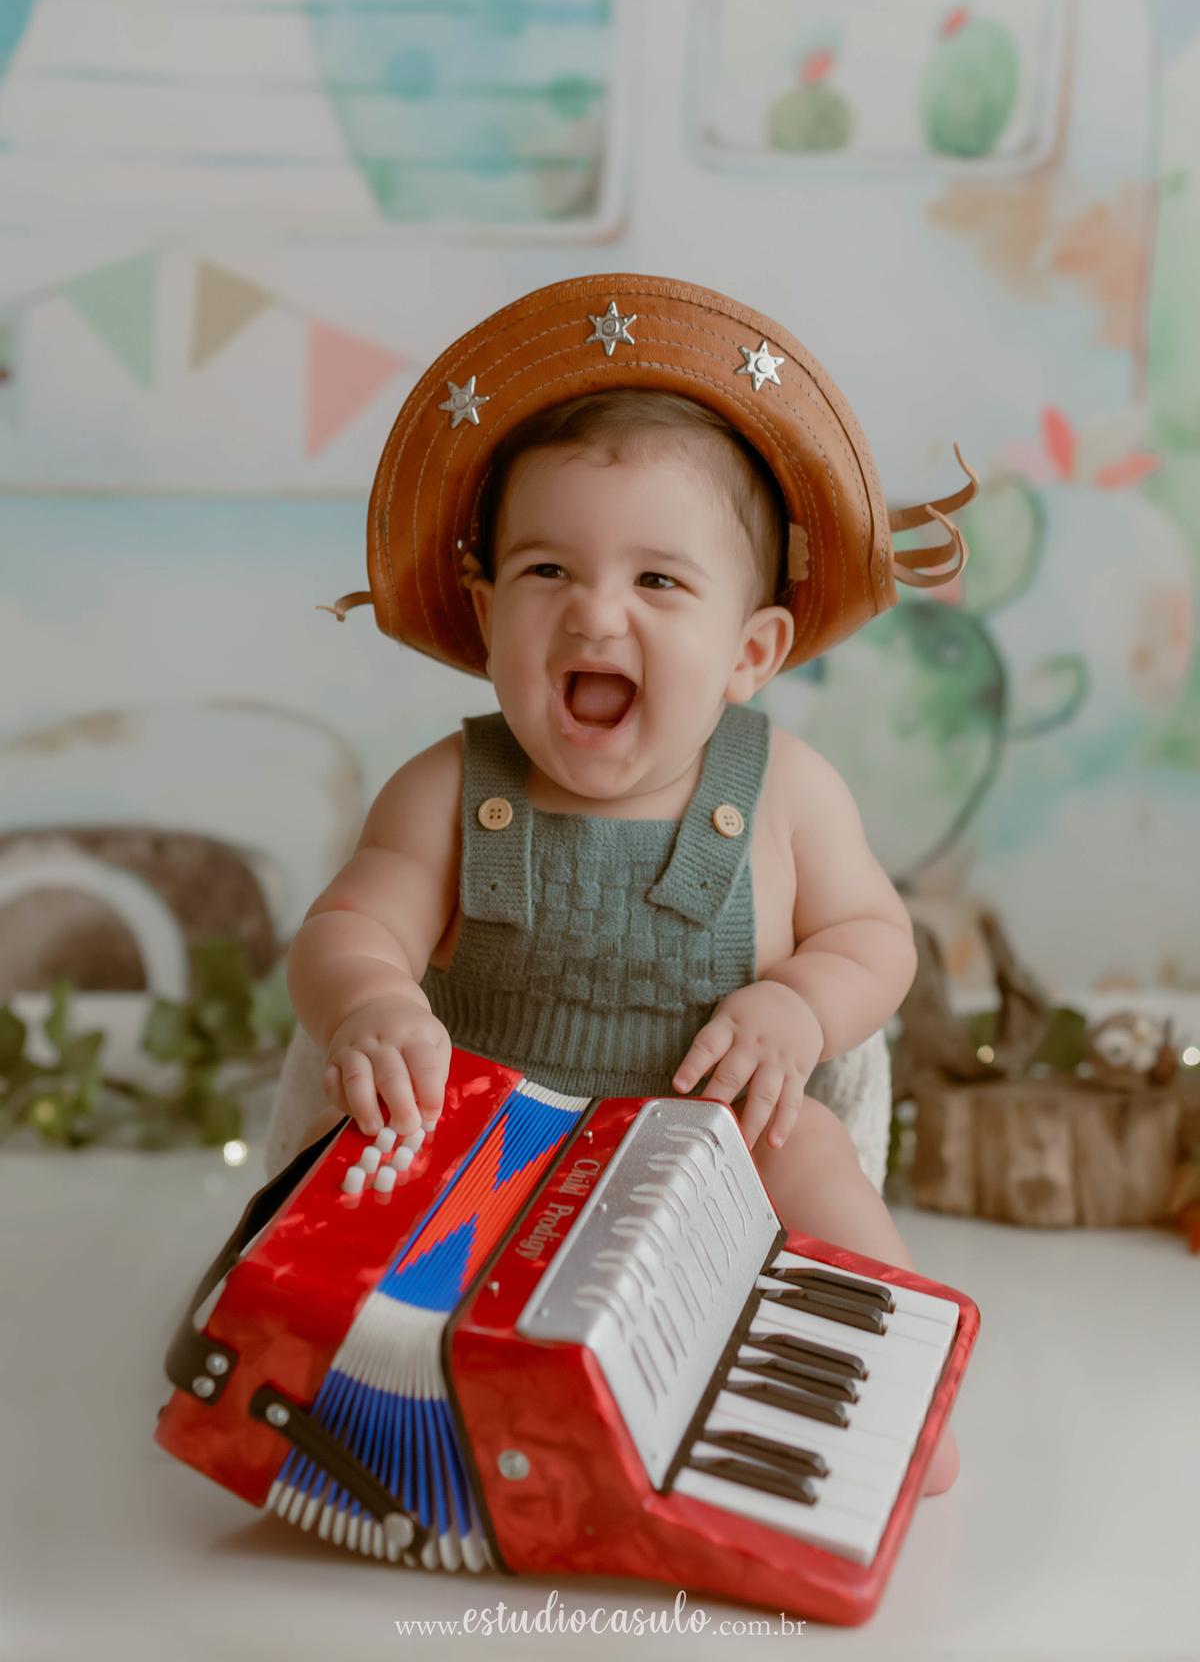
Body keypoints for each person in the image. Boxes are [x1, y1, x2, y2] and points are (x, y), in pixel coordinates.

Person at [284, 276, 975, 1493]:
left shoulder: (789, 792)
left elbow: (877, 936)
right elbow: (351, 921)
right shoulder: (446, 789)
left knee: (807, 1145)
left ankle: (881, 1395)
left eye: (658, 581)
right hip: (487, 1157)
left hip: (714, 1150)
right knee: (367, 1153)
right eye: (548, 570)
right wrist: (373, 1005)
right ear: (488, 616)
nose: (595, 613)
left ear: (751, 651)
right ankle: (309, 1376)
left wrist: (800, 1004)